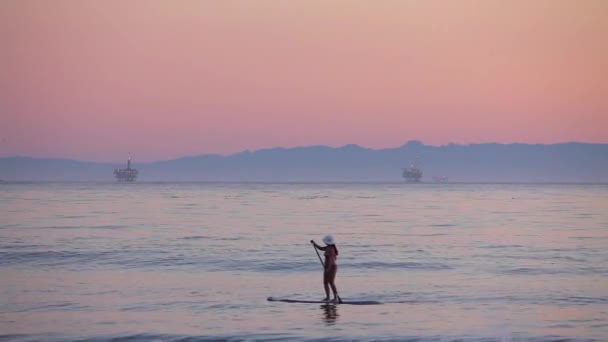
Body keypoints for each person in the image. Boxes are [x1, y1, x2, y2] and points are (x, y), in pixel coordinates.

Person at [310, 235, 340, 303]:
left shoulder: (331, 249)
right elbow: (320, 248)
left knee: (331, 282)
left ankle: (335, 298)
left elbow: (331, 260)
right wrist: (314, 244)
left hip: (331, 267)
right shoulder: (328, 247)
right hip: (327, 267)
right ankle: (328, 297)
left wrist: (328, 269)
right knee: (325, 282)